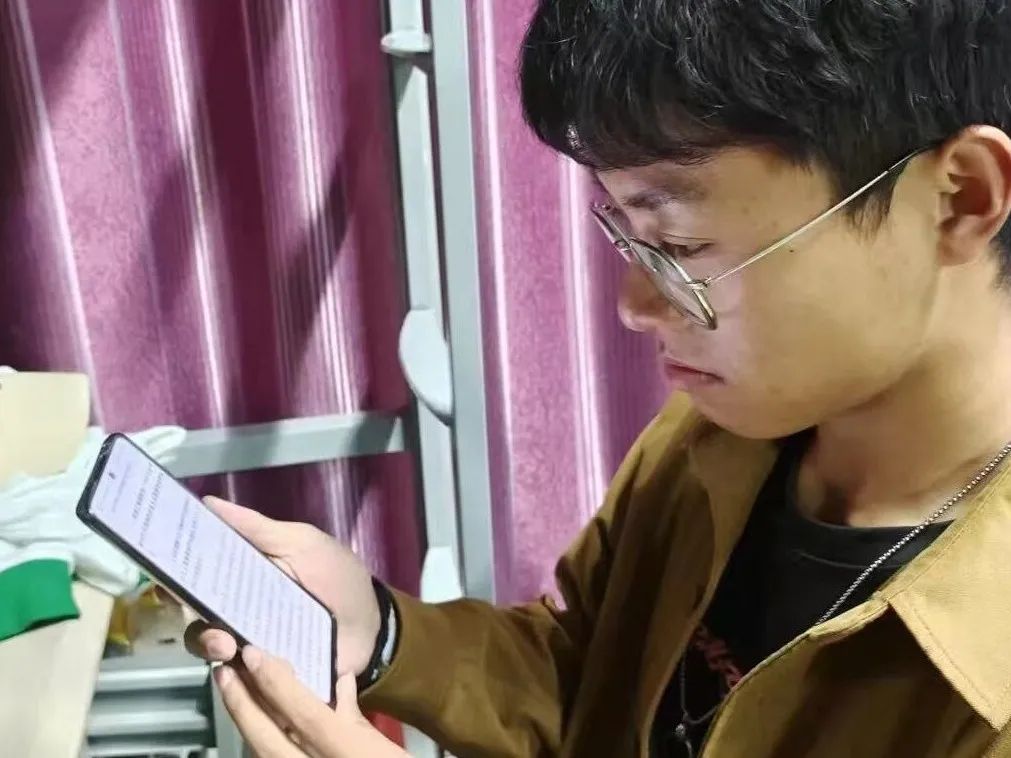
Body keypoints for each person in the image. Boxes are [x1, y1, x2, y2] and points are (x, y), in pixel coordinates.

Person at [188, 1, 1011, 755]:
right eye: (628, 239)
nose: (635, 305)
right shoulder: (715, 441)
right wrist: (382, 630)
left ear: (958, 198)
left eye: (681, 247)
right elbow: (591, 687)